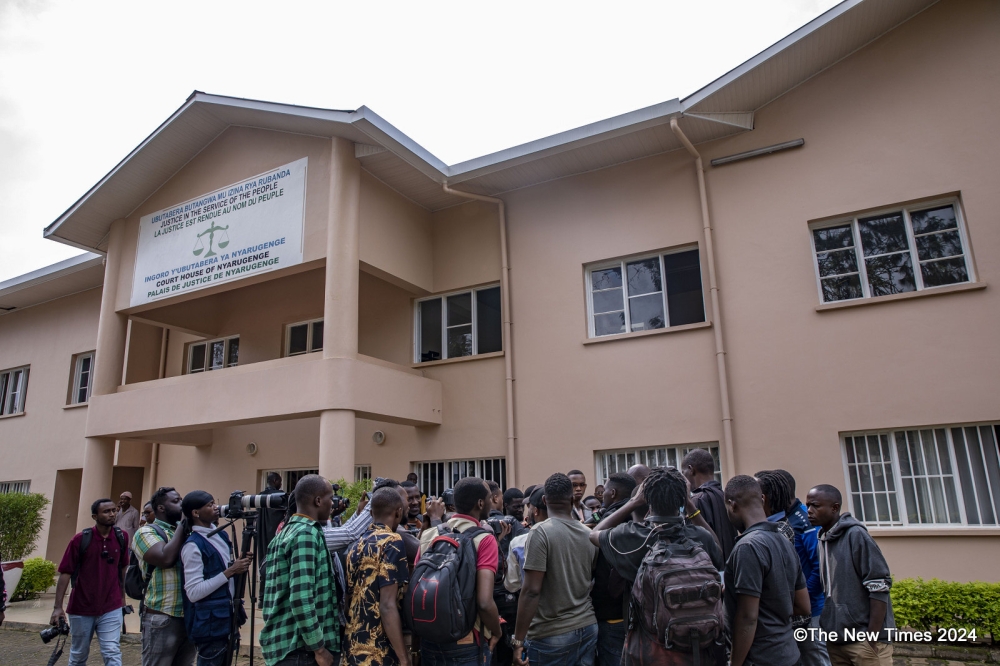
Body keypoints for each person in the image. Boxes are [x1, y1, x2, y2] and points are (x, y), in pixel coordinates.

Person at [590, 468, 723, 666]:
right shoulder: (698, 535)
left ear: (647, 500)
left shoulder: (634, 536)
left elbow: (594, 534)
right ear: (683, 498)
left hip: (653, 649)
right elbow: (718, 552)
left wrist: (634, 502)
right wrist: (688, 503)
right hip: (700, 647)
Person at [724, 475, 811, 666]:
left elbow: (748, 618)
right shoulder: (784, 540)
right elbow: (804, 606)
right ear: (762, 499)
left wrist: (735, 663)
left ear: (732, 505)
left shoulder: (747, 547)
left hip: (761, 658)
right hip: (790, 655)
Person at [512, 473, 598, 666]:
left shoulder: (539, 533)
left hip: (551, 633)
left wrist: (518, 640)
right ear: (571, 498)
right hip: (587, 626)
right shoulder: (589, 534)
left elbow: (531, 591)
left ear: (544, 500)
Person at [417, 477, 503, 666]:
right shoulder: (485, 539)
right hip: (467, 638)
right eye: (489, 498)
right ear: (480, 503)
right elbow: (484, 601)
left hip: (430, 635)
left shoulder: (430, 534)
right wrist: (496, 631)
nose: (491, 502)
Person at [807, 485, 895, 666]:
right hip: (836, 640)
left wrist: (871, 639)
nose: (809, 511)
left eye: (815, 505)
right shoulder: (822, 538)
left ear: (834, 507)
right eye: (808, 505)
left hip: (864, 642)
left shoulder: (856, 535)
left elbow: (879, 586)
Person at [261, 474, 340, 666]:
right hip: (300, 651)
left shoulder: (286, 531)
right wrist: (319, 649)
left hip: (289, 648)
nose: (333, 504)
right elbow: (300, 597)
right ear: (318, 500)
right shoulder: (305, 534)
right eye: (331, 498)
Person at [758, 471, 830, 666]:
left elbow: (819, 568)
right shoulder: (783, 520)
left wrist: (801, 599)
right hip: (795, 613)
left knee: (817, 658)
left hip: (812, 611)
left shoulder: (804, 521)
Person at [52, 498, 129, 666]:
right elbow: (65, 573)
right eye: (106, 511)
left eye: (114, 510)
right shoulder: (80, 540)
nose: (112, 514)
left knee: (112, 651)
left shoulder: (122, 537)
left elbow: (123, 569)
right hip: (82, 607)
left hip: (111, 606)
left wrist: (122, 598)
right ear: (95, 516)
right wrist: (57, 607)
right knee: (79, 654)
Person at [179, 491, 252, 666]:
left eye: (215, 503)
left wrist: (238, 564)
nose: (216, 508)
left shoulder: (220, 535)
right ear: (196, 513)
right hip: (210, 626)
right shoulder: (192, 545)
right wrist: (230, 571)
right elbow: (194, 592)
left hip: (227, 618)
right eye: (210, 505)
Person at [343, 487, 412, 666]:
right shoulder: (393, 542)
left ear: (372, 512)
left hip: (353, 646)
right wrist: (404, 658)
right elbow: (387, 606)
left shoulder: (355, 546)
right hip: (379, 650)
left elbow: (349, 598)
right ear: (398, 512)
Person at [132, 486, 196, 666]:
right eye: (176, 501)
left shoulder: (187, 532)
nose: (182, 504)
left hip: (188, 615)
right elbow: (165, 558)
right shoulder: (146, 532)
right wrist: (183, 526)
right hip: (162, 615)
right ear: (161, 508)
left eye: (182, 499)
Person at [585, 473, 635, 666]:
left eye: (604, 490)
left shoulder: (612, 521)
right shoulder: (639, 516)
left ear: (612, 493)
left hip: (612, 614)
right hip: (636, 614)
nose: (602, 495)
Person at [682, 449, 737, 561]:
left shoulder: (696, 501)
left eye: (683, 473)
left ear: (691, 469)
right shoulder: (726, 497)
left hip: (711, 572)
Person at [504, 487, 547, 594]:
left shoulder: (518, 543)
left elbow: (512, 585)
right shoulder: (583, 534)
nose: (523, 510)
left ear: (535, 511)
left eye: (529, 506)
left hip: (535, 606)